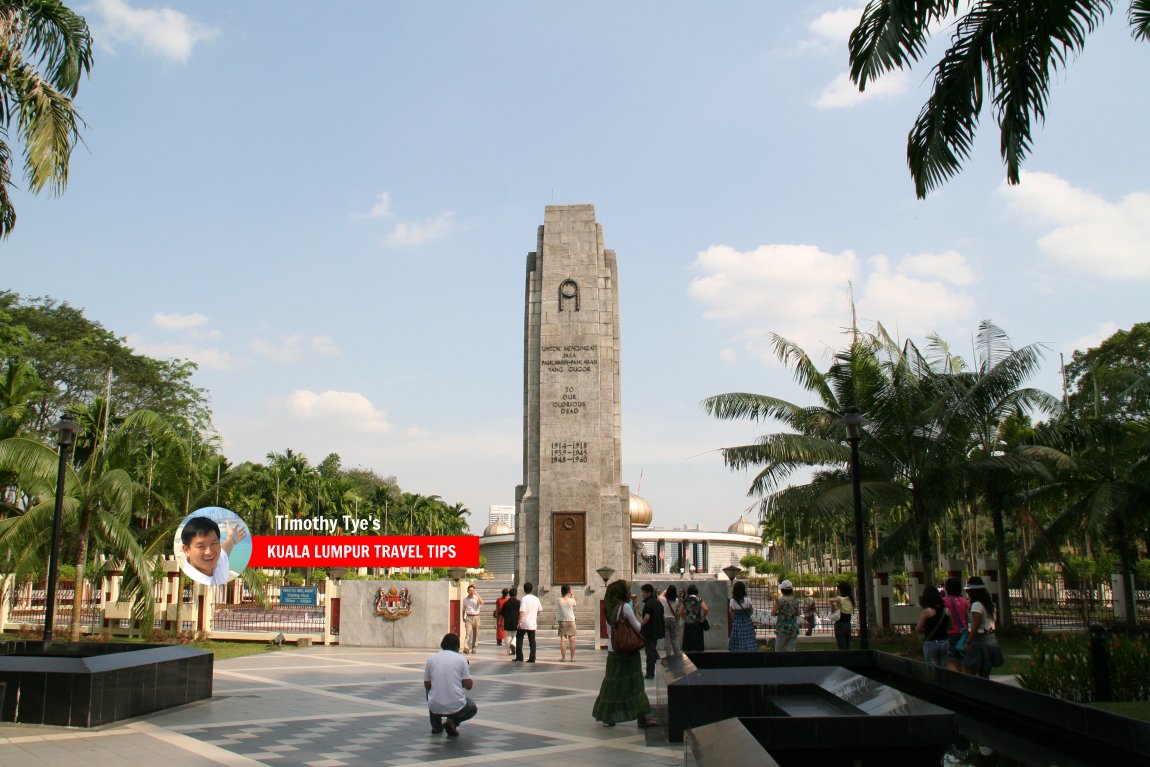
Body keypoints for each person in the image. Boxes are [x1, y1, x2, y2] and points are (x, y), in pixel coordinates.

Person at [592, 579, 656, 728]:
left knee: (612, 684)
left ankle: (608, 717)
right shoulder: (625, 608)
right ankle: (642, 717)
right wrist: (637, 611)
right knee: (635, 684)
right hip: (627, 652)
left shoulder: (609, 608)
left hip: (613, 651)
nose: (629, 593)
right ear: (621, 593)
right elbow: (638, 628)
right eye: (627, 590)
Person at [423, 633, 477, 737]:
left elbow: (426, 684)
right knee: (472, 707)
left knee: (430, 689)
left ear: (442, 644)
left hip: (435, 705)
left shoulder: (431, 659)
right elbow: (469, 686)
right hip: (455, 705)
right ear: (457, 646)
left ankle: (436, 725)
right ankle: (453, 721)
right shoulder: (461, 659)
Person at [179, 515, 247, 586]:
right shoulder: (190, 582)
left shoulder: (218, 562)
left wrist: (232, 538)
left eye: (213, 543)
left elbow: (225, 550)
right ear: (186, 550)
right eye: (201, 546)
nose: (209, 552)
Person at [962, 576, 1003, 678]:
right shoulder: (991, 605)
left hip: (979, 640)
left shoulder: (976, 605)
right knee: (985, 673)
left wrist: (968, 642)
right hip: (991, 639)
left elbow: (975, 626)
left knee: (970, 671)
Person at [916, 586, 950, 667]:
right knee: (943, 668)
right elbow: (951, 627)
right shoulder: (946, 611)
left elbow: (918, 628)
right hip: (944, 642)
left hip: (931, 643)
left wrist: (925, 630)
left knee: (932, 670)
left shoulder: (927, 612)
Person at [942, 577, 970, 672]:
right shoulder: (964, 601)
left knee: (951, 662)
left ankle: (955, 682)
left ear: (947, 588)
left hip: (950, 633)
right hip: (963, 634)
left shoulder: (944, 601)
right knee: (961, 661)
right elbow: (966, 618)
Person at [639, 583, 665, 678]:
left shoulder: (648, 604)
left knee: (649, 653)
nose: (642, 594)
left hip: (649, 632)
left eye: (643, 592)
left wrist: (640, 625)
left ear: (648, 592)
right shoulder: (657, 602)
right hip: (656, 631)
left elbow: (646, 618)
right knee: (652, 649)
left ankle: (650, 673)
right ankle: (657, 658)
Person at [515, 581, 542, 662]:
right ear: (532, 589)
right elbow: (540, 609)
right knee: (532, 641)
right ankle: (532, 657)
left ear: (524, 589)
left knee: (519, 639)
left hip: (524, 622)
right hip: (532, 623)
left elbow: (522, 611)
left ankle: (519, 657)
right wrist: (535, 615)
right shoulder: (536, 599)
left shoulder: (524, 599)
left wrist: (519, 621)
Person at [728, 580, 757, 652]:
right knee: (748, 637)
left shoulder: (732, 601)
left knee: (737, 638)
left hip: (737, 621)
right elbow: (751, 611)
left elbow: (731, 612)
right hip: (746, 620)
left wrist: (735, 620)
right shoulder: (748, 599)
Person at [772, 579, 800, 651]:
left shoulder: (780, 600)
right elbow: (798, 613)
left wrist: (780, 613)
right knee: (791, 649)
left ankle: (778, 661)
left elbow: (773, 613)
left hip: (782, 627)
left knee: (778, 648)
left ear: (782, 590)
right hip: (793, 627)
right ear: (791, 590)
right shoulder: (795, 600)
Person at [680, 584, 709, 653]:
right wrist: (703, 618)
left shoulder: (685, 600)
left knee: (688, 641)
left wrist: (685, 618)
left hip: (688, 623)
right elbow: (706, 609)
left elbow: (680, 612)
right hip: (697, 622)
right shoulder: (699, 600)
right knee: (698, 642)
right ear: (696, 591)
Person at [659, 585, 682, 657]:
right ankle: (677, 653)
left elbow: (658, 597)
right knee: (674, 637)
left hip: (665, 619)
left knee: (667, 638)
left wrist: (664, 591)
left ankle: (668, 654)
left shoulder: (663, 599)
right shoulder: (677, 600)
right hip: (673, 620)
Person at [557, 584, 577, 661]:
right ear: (569, 591)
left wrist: (565, 593)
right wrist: (571, 595)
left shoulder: (558, 600)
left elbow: (562, 598)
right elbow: (575, 603)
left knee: (563, 639)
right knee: (572, 640)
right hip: (571, 621)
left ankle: (563, 657)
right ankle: (572, 658)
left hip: (563, 621)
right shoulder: (571, 600)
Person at [832, 581, 855, 650]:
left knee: (842, 647)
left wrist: (832, 605)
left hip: (840, 625)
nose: (837, 591)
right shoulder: (850, 599)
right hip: (848, 625)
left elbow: (834, 611)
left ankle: (844, 659)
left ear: (841, 590)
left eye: (838, 589)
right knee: (847, 647)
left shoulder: (840, 599)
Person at [462, 584, 483, 654]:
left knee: (476, 633)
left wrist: (477, 594)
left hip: (476, 617)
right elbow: (463, 609)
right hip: (468, 617)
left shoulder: (476, 598)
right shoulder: (465, 599)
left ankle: (474, 648)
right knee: (468, 633)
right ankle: (466, 647)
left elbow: (482, 602)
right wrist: (463, 617)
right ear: (467, 591)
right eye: (470, 590)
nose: (471, 591)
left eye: (473, 590)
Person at [500, 587, 520, 657]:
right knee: (515, 635)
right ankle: (513, 644)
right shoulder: (519, 603)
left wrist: (500, 622)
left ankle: (509, 651)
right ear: (516, 594)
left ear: (509, 594)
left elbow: (501, 613)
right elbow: (521, 612)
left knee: (508, 636)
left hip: (507, 622)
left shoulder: (506, 603)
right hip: (516, 621)